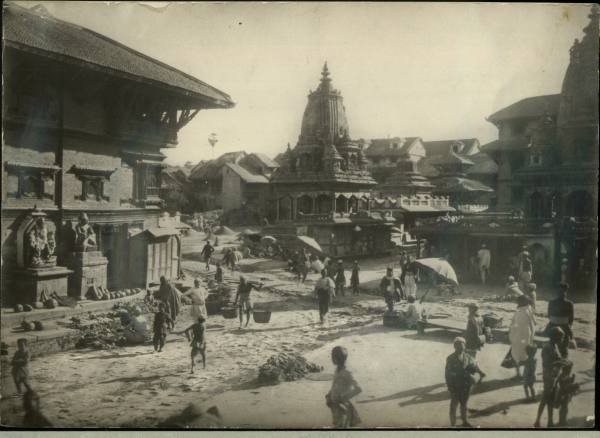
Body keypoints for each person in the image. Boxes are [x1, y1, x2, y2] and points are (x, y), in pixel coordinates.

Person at [445, 337, 485, 428]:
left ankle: (465, 421)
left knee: (464, 404)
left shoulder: (467, 356)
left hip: (466, 384)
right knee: (454, 405)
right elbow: (447, 374)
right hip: (455, 385)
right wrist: (450, 387)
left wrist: (480, 372)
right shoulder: (450, 358)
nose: (460, 347)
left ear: (464, 346)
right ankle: (453, 424)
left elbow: (474, 366)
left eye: (462, 345)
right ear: (454, 346)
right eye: (458, 345)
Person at [534, 327, 567, 428]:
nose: (562, 340)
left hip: (553, 376)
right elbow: (546, 364)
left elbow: (556, 359)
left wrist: (561, 361)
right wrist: (559, 363)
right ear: (555, 337)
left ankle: (549, 421)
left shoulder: (554, 346)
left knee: (550, 400)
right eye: (561, 338)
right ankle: (538, 420)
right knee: (545, 399)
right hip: (548, 376)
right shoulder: (547, 347)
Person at [325, 346, 362, 428]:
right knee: (337, 424)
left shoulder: (346, 372)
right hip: (335, 405)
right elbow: (335, 384)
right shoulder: (337, 370)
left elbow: (358, 389)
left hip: (343, 407)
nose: (331, 358)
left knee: (342, 426)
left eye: (333, 356)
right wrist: (329, 395)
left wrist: (344, 397)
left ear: (337, 358)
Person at [509, 294, 536, 378]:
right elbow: (533, 323)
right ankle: (524, 373)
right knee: (525, 353)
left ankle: (519, 374)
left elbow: (514, 323)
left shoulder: (522, 311)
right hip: (525, 334)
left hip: (520, 335)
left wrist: (511, 334)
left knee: (517, 354)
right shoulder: (528, 310)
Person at [546, 283, 574, 357]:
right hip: (564, 325)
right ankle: (563, 357)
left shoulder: (551, 302)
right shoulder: (569, 303)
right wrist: (568, 327)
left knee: (552, 343)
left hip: (553, 325)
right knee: (564, 346)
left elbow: (549, 315)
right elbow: (571, 319)